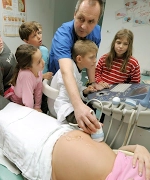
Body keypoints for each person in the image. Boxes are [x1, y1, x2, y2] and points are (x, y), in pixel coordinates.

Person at [0, 99, 150, 180]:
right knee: (24, 112)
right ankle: (0, 100)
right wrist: (140, 148)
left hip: (44, 154)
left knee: (0, 124)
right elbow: (117, 154)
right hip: (61, 131)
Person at [49, 0, 104, 134]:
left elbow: (91, 59)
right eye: (80, 18)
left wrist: (92, 83)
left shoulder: (96, 32)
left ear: (97, 21)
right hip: (60, 78)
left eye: (91, 21)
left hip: (74, 77)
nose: (84, 26)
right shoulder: (63, 34)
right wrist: (78, 105)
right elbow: (66, 71)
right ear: (74, 14)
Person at [51, 40, 97, 123]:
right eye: (91, 57)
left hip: (68, 104)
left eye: (95, 57)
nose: (95, 60)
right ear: (79, 59)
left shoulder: (76, 69)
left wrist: (85, 91)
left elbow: (76, 88)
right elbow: (61, 103)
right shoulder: (69, 72)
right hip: (59, 109)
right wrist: (77, 120)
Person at [7, 44, 44, 112]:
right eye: (39, 62)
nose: (43, 62)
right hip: (17, 102)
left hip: (27, 97)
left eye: (42, 58)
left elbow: (38, 90)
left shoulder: (38, 70)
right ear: (28, 67)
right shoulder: (26, 75)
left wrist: (37, 106)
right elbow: (28, 99)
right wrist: (32, 112)